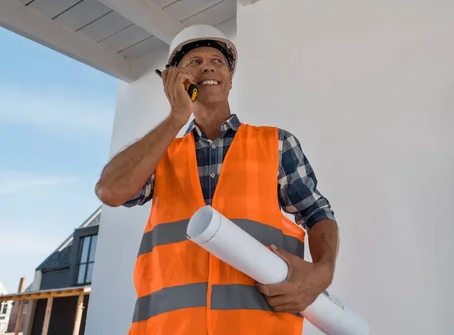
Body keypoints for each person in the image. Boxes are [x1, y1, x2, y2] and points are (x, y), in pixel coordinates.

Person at [94, 24, 339, 334]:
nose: (207, 65)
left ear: (230, 80)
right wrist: (175, 117)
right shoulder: (160, 154)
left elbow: (317, 213)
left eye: (217, 61)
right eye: (194, 62)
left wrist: (322, 273)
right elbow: (110, 191)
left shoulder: (276, 143)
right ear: (173, 80)